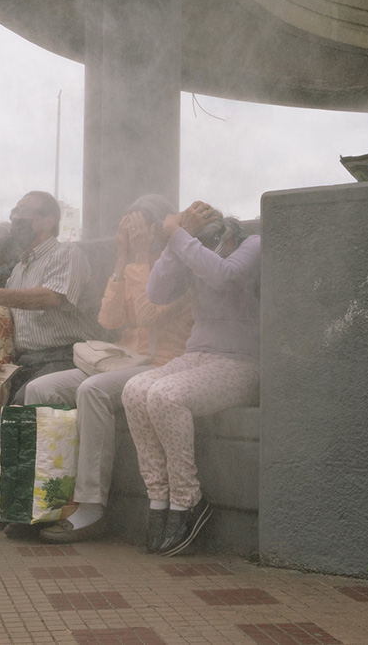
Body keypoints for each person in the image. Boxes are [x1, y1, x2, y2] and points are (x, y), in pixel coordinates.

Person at [27, 195, 194, 543]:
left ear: (158, 227)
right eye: (126, 225)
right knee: (40, 389)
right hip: (126, 359)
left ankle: (91, 507)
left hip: (163, 362)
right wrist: (121, 259)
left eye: (138, 224)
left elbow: (150, 312)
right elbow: (109, 319)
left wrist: (138, 257)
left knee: (94, 390)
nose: (130, 232)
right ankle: (50, 497)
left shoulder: (177, 263)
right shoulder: (132, 262)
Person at [0, 190, 98, 521]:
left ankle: (15, 500)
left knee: (23, 397)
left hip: (61, 358)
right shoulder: (22, 264)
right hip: (22, 361)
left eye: (25, 212)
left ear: (49, 220)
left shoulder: (67, 254)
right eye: (15, 211)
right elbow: (9, 313)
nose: (15, 218)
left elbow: (51, 298)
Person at [121, 201, 260, 557]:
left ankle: (189, 501)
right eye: (201, 239)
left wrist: (179, 235)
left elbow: (224, 275)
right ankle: (159, 498)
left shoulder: (253, 246)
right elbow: (155, 293)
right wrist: (174, 242)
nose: (208, 246)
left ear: (230, 233)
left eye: (214, 239)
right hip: (196, 355)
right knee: (135, 390)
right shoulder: (190, 250)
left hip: (240, 362)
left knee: (166, 396)